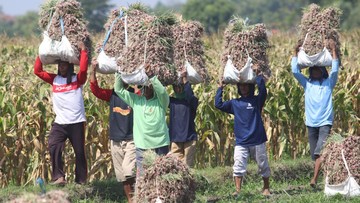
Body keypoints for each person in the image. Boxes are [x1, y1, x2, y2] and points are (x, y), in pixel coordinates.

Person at [33, 42, 88, 185]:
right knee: (53, 144)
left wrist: (83, 51)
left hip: (76, 122)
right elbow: (37, 71)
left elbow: (83, 69)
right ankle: (59, 177)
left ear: (70, 66)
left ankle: (81, 181)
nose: (61, 67)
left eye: (64, 65)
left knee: (80, 152)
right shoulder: (54, 80)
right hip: (60, 122)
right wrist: (41, 53)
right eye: (60, 65)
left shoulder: (78, 79)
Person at [292, 39, 339, 188]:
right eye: (312, 69)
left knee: (319, 152)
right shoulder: (307, 84)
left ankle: (314, 179)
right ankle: (328, 176)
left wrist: (333, 51)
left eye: (317, 69)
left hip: (325, 122)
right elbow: (295, 71)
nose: (314, 71)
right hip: (311, 123)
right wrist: (295, 52)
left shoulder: (328, 83)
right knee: (315, 154)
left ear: (323, 71)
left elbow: (336, 70)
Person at [215, 75, 271, 197]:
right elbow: (218, 104)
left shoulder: (256, 101)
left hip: (257, 139)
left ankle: (266, 188)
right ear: (238, 88)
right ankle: (238, 190)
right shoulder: (235, 103)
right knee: (238, 165)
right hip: (241, 141)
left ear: (250, 87)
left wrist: (258, 77)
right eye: (241, 85)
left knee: (263, 164)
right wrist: (220, 88)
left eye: (246, 85)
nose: (244, 88)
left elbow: (263, 91)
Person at [89, 62, 136, 202]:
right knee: (122, 176)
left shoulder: (135, 95)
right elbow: (95, 90)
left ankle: (140, 196)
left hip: (131, 139)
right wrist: (92, 70)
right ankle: (131, 200)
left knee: (129, 171)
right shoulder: (112, 95)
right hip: (115, 139)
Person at [113, 72, 170, 175]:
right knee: (143, 177)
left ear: (153, 87)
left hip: (160, 144)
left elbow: (162, 92)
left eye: (148, 86)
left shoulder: (161, 101)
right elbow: (119, 90)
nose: (145, 89)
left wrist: (152, 77)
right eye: (143, 87)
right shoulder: (136, 100)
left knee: (161, 175)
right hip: (142, 145)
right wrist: (118, 72)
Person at [169, 70, 199, 168]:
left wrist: (185, 79)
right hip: (176, 139)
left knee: (187, 167)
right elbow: (160, 95)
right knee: (176, 167)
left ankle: (188, 183)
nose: (178, 89)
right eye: (176, 87)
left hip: (189, 138)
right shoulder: (172, 101)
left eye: (180, 86)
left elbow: (189, 94)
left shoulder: (192, 101)